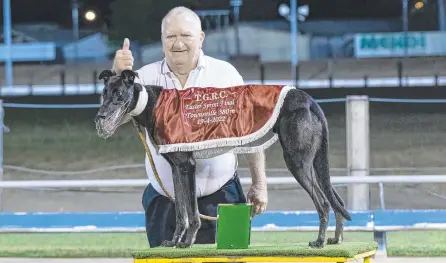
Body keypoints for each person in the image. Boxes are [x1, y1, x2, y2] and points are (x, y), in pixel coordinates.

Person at [110, 6, 268, 247]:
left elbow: (250, 134)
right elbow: (113, 120)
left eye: (186, 35)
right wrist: (119, 76)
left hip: (224, 198)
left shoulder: (225, 74)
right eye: (170, 36)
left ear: (201, 38)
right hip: (165, 203)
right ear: (162, 40)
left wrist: (259, 183)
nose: (178, 43)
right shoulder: (143, 78)